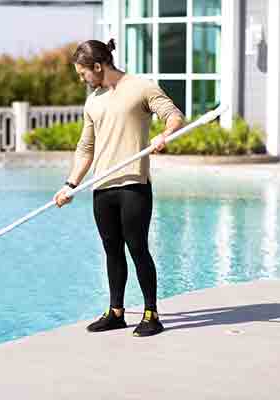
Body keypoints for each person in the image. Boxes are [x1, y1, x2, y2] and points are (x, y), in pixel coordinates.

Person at [53, 39, 184, 337]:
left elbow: (174, 115)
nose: (82, 79)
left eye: (83, 73)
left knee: (137, 248)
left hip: (133, 184)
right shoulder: (94, 101)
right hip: (103, 187)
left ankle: (151, 314)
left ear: (98, 66)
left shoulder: (140, 87)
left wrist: (164, 135)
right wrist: (70, 184)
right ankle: (116, 312)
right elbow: (85, 148)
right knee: (112, 251)